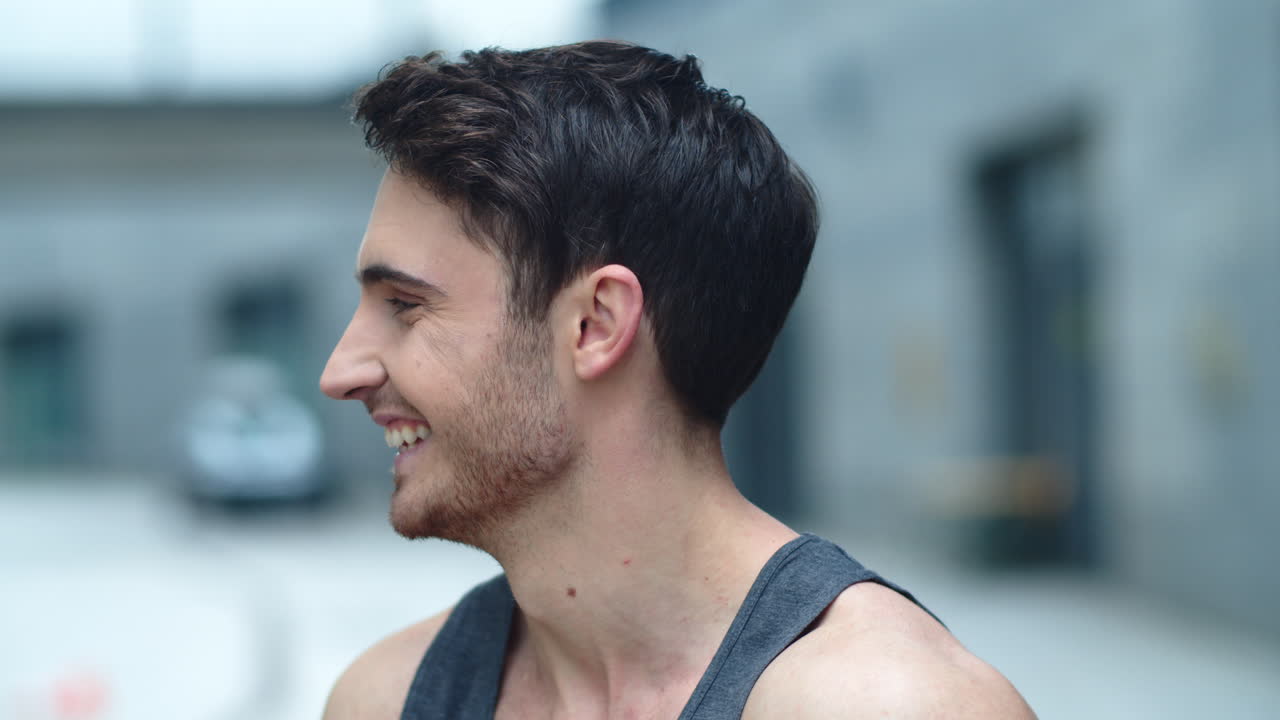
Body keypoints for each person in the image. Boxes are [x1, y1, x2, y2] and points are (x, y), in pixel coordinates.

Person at [319, 41, 1035, 719]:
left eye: (405, 307)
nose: (339, 373)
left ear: (596, 325)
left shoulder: (887, 704)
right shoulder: (388, 698)